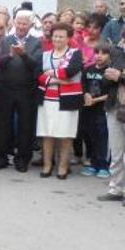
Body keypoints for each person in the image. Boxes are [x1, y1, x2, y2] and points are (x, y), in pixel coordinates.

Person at [0, 10, 43, 171]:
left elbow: (36, 65)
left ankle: (22, 159)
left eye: (24, 23)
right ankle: (1, 158)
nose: (21, 26)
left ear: (30, 25)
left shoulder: (36, 42)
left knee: (26, 125)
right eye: (19, 23)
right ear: (14, 23)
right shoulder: (6, 41)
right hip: (5, 88)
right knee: (2, 124)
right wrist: (10, 55)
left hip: (27, 89)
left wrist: (23, 54)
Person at [36, 23, 83, 179]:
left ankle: (63, 166)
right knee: (47, 133)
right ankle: (47, 165)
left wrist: (52, 74)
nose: (58, 39)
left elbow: (72, 72)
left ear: (68, 38)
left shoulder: (75, 54)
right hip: (47, 99)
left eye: (61, 36)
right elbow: (39, 76)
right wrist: (60, 80)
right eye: (55, 36)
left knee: (65, 134)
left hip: (68, 100)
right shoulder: (45, 54)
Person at [79, 43, 113, 178]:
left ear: (110, 56)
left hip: (103, 109)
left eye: (103, 53)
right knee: (91, 136)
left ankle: (104, 165)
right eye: (97, 52)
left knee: (103, 137)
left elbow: (112, 93)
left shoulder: (110, 71)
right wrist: (86, 95)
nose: (99, 56)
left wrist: (96, 100)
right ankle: (93, 164)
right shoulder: (88, 70)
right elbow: (82, 86)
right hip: (88, 109)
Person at [97, 42, 125, 204]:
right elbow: (105, 83)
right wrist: (110, 75)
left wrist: (120, 76)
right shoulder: (117, 54)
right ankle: (115, 188)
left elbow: (117, 77)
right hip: (114, 107)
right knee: (116, 152)